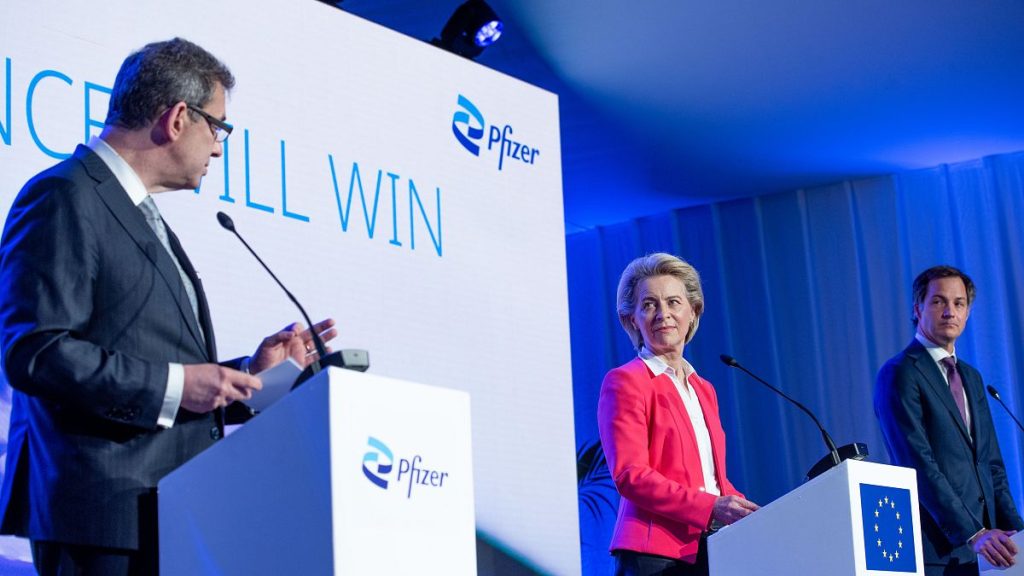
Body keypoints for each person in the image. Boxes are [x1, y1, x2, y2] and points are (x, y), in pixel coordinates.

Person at [0, 38, 337, 576]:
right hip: (102, 521)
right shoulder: (64, 196)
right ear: (179, 117)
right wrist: (179, 385)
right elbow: (36, 352)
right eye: (219, 128)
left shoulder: (141, 215)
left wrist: (249, 377)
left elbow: (150, 359)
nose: (221, 149)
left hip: (170, 515)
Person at [598, 253, 758, 576]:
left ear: (693, 311)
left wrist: (751, 511)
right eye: (649, 305)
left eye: (673, 302)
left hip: (710, 549)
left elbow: (712, 480)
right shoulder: (626, 381)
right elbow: (631, 475)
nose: (663, 314)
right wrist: (711, 508)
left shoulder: (704, 389)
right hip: (654, 555)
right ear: (632, 320)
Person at [875, 265, 1023, 576]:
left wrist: (1016, 532)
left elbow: (991, 463)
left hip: (988, 552)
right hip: (938, 550)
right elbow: (917, 463)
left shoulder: (970, 376)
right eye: (938, 301)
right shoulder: (901, 373)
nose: (949, 312)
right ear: (918, 309)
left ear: (968, 312)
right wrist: (972, 533)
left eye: (959, 303)